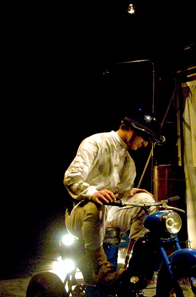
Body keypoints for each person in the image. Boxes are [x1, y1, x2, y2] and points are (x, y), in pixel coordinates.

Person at [64, 115, 164, 284]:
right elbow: (71, 178)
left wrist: (131, 193)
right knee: (96, 206)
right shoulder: (95, 143)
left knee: (146, 201)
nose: (146, 144)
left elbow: (121, 195)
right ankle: (100, 269)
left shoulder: (129, 163)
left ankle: (134, 268)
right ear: (131, 128)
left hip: (109, 214)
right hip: (81, 213)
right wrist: (92, 193)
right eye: (145, 138)